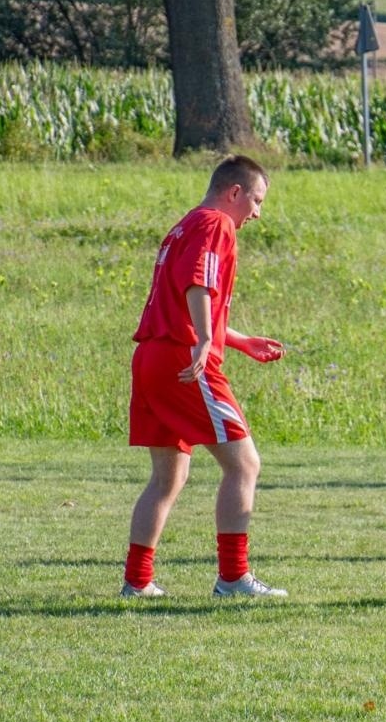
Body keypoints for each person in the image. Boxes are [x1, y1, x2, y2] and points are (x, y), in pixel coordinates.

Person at [120, 155, 287, 599]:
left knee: (167, 479)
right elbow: (200, 285)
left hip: (153, 357)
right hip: (183, 361)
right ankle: (233, 578)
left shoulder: (185, 225)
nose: (257, 212)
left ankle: (137, 583)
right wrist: (205, 339)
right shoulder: (216, 222)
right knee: (245, 463)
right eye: (256, 200)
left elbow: (185, 298)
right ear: (234, 192)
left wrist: (239, 340)